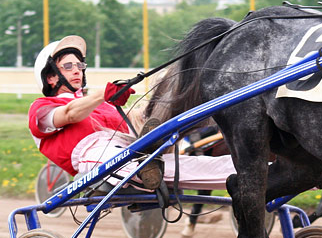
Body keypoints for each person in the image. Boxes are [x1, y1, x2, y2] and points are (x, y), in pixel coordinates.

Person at [28, 35, 235, 191]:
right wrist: (103, 94)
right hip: (92, 156)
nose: (77, 70)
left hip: (131, 144)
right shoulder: (41, 109)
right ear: (51, 78)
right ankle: (147, 163)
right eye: (68, 66)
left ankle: (254, 169)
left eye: (80, 65)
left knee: (161, 100)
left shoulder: (97, 105)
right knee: (120, 159)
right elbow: (70, 114)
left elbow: (129, 119)